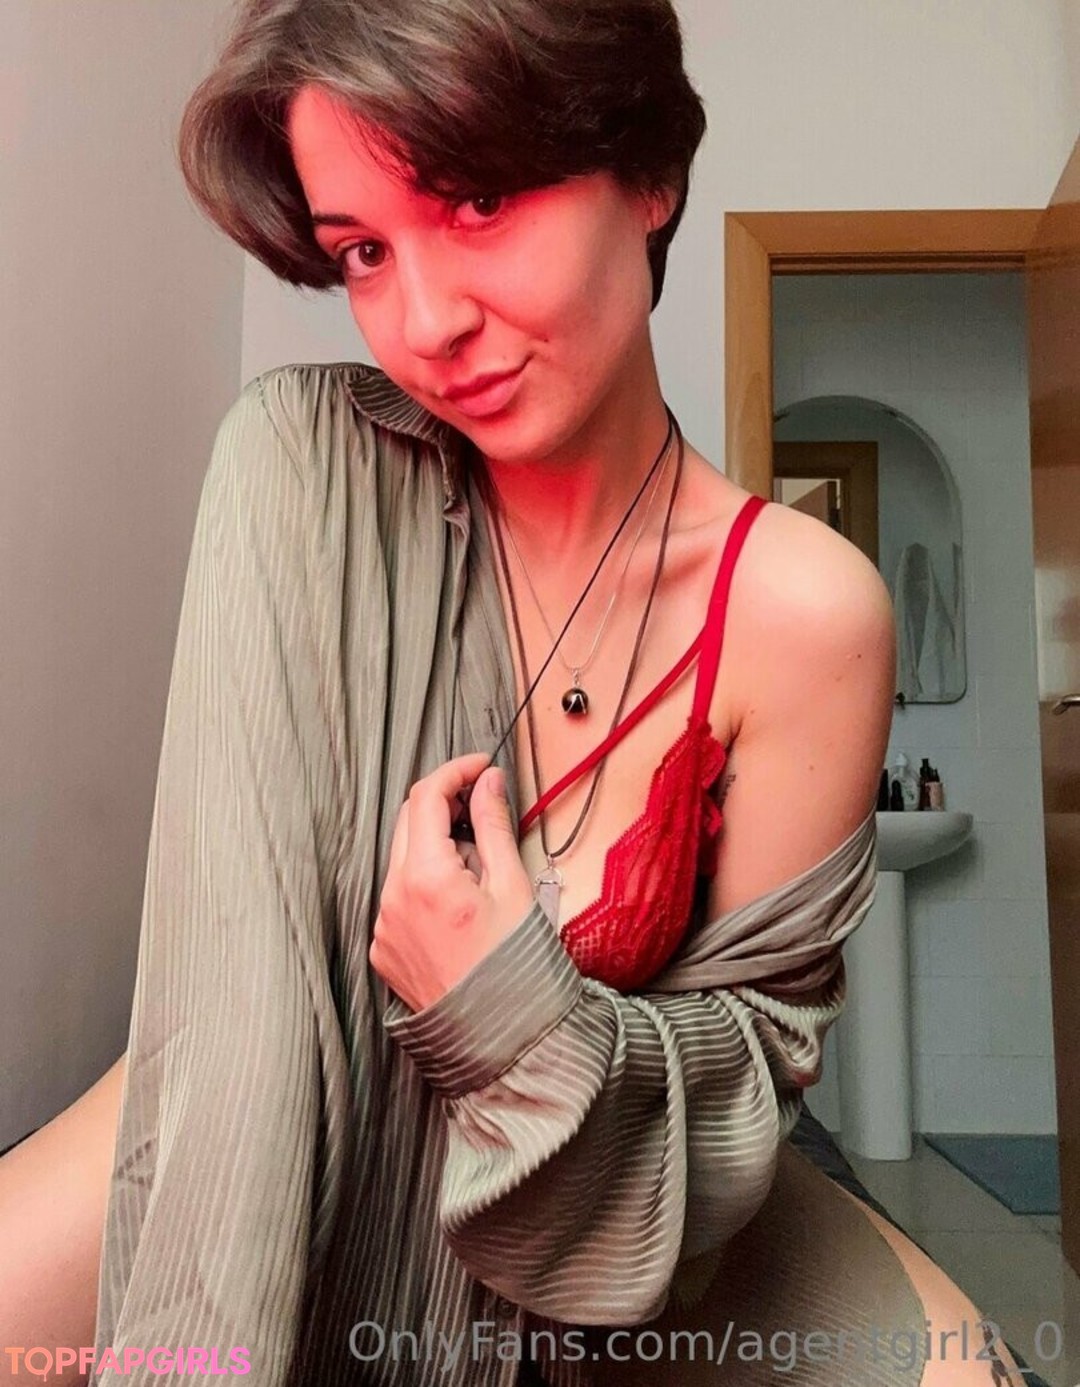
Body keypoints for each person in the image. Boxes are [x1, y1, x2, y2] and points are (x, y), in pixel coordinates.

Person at [0, 3, 1028, 1385]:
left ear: (648, 173)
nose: (427, 324)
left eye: (476, 202)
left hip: (589, 1227)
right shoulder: (300, 472)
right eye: (363, 251)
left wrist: (501, 1006)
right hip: (255, 1124)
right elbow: (238, 1015)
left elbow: (731, 1100)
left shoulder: (806, 618)